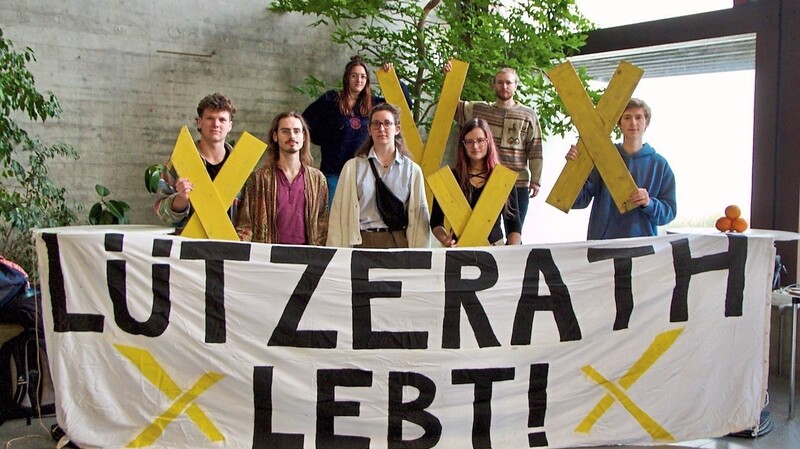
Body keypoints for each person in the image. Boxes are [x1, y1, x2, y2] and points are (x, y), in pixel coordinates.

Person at [444, 61, 543, 237]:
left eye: (508, 82)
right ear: (494, 86)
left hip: (517, 182)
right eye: (500, 82)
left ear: (515, 86)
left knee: (515, 232)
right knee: (487, 233)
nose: (504, 86)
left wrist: (536, 179)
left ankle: (512, 264)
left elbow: (535, 147)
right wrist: (448, 78)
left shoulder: (529, 115)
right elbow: (452, 107)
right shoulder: (478, 109)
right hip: (486, 180)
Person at [303, 56, 410, 206]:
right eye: (354, 76)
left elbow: (403, 104)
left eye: (363, 76)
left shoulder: (372, 104)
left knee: (360, 218)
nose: (358, 80)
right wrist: (325, 139)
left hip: (364, 172)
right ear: (347, 78)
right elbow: (305, 122)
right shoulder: (331, 99)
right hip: (335, 172)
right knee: (334, 216)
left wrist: (394, 78)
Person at [565, 98, 677, 240]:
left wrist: (649, 203)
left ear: (646, 123)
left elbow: (669, 213)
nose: (633, 123)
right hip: (603, 245)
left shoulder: (660, 165)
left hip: (642, 246)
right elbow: (578, 200)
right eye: (627, 117)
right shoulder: (603, 159)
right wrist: (574, 168)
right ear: (619, 123)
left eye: (638, 117)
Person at [326, 103, 431, 249]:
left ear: (397, 129)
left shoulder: (412, 170)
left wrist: (420, 256)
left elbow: (420, 216)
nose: (381, 129)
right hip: (361, 242)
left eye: (387, 123)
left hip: (398, 243)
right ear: (369, 129)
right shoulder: (353, 167)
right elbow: (338, 213)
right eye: (376, 124)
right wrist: (335, 252)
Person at [235, 112, 328, 245]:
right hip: (267, 257)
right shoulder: (259, 178)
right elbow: (246, 223)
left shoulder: (318, 180)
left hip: (306, 257)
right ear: (275, 136)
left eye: (296, 131)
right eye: (285, 131)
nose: (292, 136)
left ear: (304, 136)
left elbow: (322, 225)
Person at [154, 93, 239, 230]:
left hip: (229, 245)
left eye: (222, 120)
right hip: (188, 245)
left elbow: (249, 216)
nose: (216, 124)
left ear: (230, 126)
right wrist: (182, 198)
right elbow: (161, 211)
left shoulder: (240, 166)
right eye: (210, 118)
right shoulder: (179, 162)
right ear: (199, 122)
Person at [431, 119, 521, 247]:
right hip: (459, 249)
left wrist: (511, 253)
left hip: (495, 249)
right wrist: (445, 239)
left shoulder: (503, 179)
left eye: (480, 140)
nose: (475, 146)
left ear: (488, 141)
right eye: (469, 142)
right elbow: (435, 221)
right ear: (463, 145)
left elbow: (513, 223)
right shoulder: (450, 179)